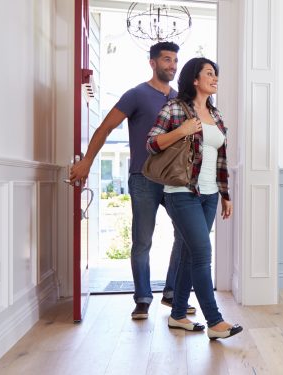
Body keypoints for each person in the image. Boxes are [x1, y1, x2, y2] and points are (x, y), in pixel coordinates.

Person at [69, 41, 197, 319]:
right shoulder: (136, 95)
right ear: (153, 62)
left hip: (175, 180)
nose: (172, 66)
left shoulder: (179, 100)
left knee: (186, 235)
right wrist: (87, 161)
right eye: (166, 60)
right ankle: (142, 298)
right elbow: (105, 127)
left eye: (175, 60)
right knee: (142, 241)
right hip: (143, 177)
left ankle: (173, 292)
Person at [146, 57, 243, 340]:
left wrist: (226, 195)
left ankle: (177, 315)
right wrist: (181, 130)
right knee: (202, 254)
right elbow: (151, 143)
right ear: (194, 79)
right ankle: (214, 321)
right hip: (182, 193)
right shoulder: (175, 108)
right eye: (210, 74)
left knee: (190, 254)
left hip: (210, 195)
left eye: (217, 74)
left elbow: (221, 159)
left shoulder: (217, 114)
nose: (215, 79)